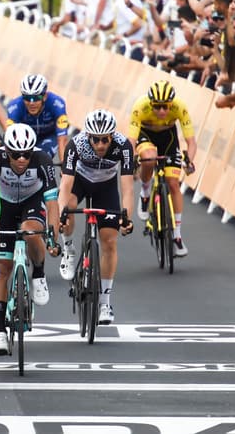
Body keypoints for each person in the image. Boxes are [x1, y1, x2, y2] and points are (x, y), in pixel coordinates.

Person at [0, 123, 60, 355]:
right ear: (6, 151)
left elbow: (52, 204)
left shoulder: (43, 161)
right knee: (1, 267)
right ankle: (0, 332)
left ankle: (38, 273)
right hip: (3, 205)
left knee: (31, 231)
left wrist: (52, 238)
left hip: (31, 202)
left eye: (26, 154)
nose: (21, 159)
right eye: (15, 154)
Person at [58, 109, 134, 325]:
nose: (100, 145)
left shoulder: (123, 146)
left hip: (106, 187)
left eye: (105, 140)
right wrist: (63, 214)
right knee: (69, 206)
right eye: (96, 140)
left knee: (109, 241)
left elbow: (127, 188)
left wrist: (126, 217)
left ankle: (105, 302)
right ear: (88, 136)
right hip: (80, 182)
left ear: (112, 136)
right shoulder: (76, 144)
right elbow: (65, 184)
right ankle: (69, 249)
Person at [128, 80, 195, 257]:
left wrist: (189, 160)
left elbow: (191, 142)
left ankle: (177, 236)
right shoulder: (140, 107)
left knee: (173, 184)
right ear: (151, 104)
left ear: (171, 103)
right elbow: (131, 141)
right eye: (157, 107)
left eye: (166, 106)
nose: (162, 111)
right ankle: (145, 192)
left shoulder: (179, 107)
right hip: (146, 136)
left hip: (168, 139)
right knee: (148, 159)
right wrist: (133, 159)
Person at [5, 74, 69, 162]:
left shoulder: (57, 103)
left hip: (49, 136)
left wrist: (64, 167)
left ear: (45, 96)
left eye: (36, 97)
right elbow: (10, 136)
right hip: (25, 136)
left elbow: (62, 139)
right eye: (27, 98)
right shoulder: (14, 107)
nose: (31, 103)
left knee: (42, 158)